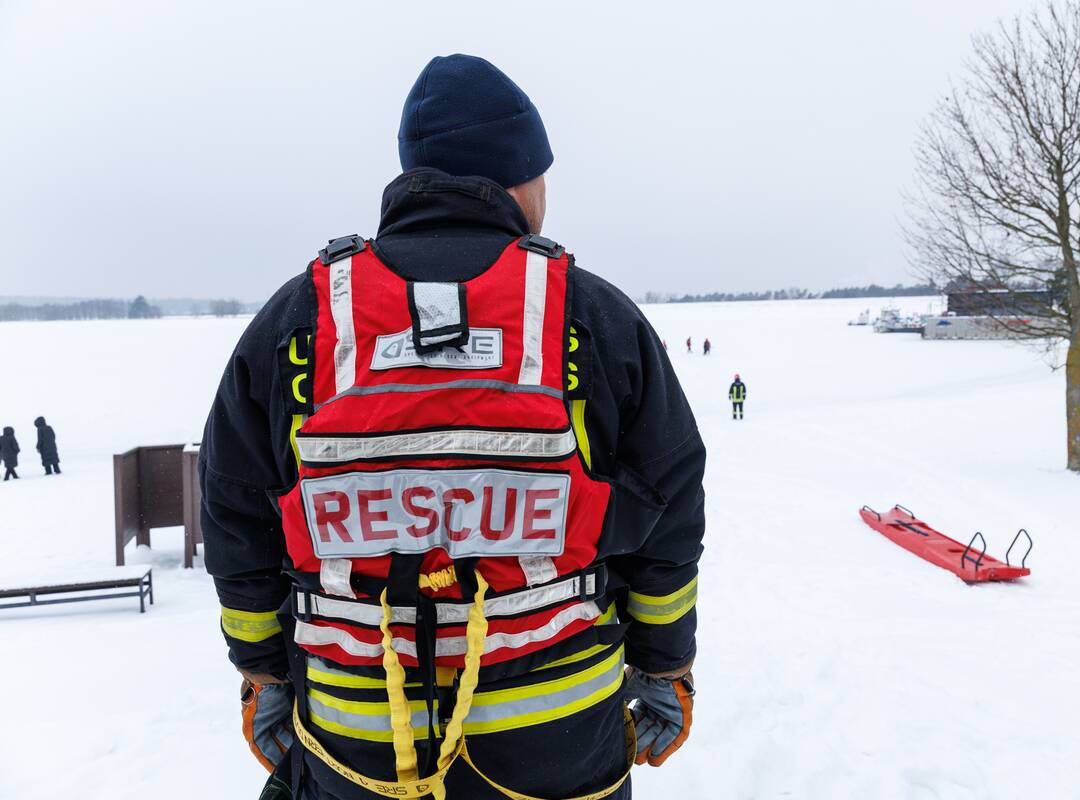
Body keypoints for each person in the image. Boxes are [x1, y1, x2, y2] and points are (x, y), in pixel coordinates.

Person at [201, 54, 705, 800]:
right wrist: (664, 664)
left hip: (357, 748)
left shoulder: (299, 324)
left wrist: (263, 672)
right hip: (557, 742)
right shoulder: (592, 318)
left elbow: (235, 515)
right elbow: (669, 506)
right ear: (516, 178)